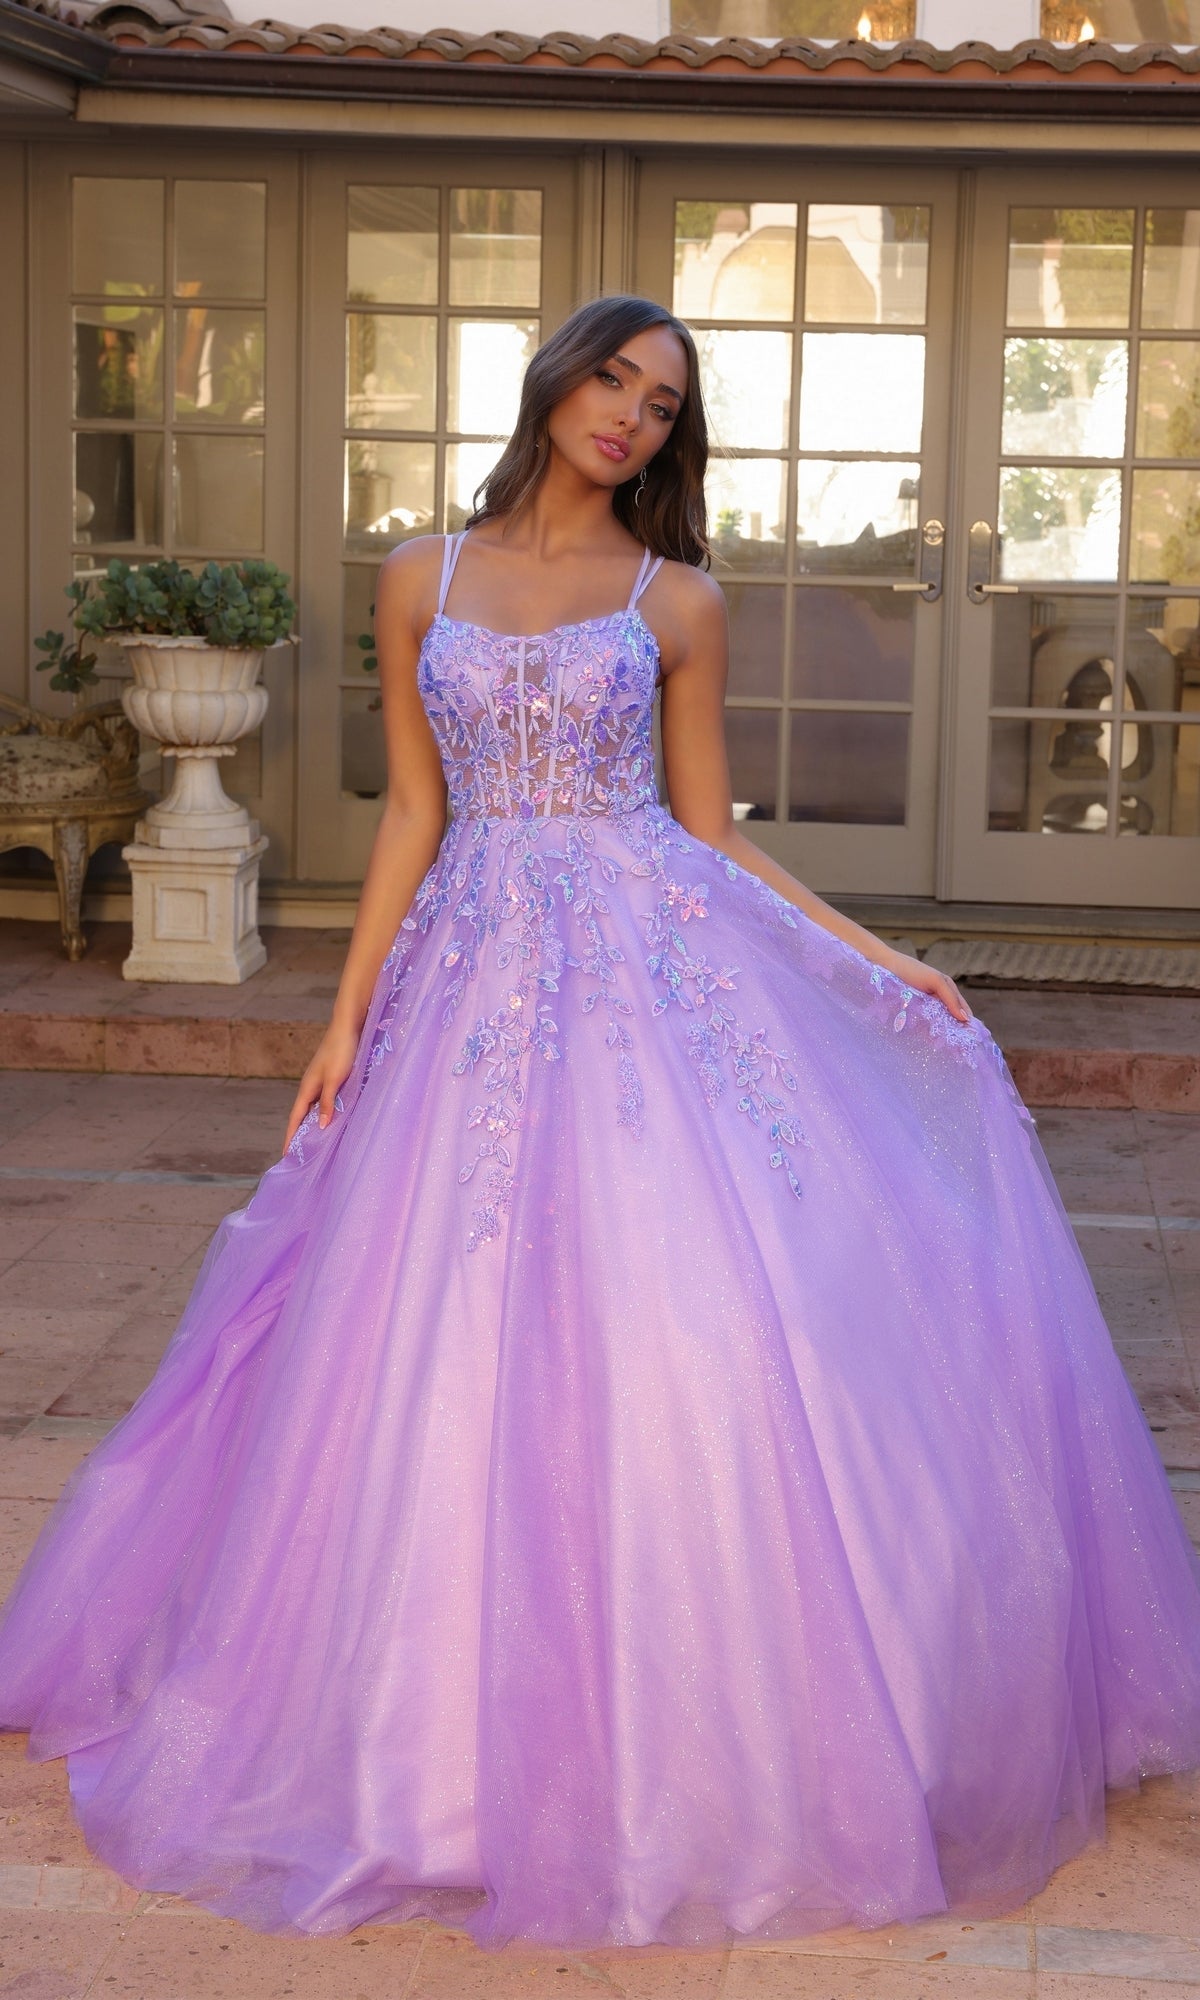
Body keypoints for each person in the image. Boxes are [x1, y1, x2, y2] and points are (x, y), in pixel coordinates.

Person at [1, 293, 1198, 1952]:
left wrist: (884, 957)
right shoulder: (418, 573)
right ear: (558, 379)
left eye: (662, 401)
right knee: (424, 1320)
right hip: (471, 984)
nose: (632, 414)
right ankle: (410, 1741)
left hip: (652, 970)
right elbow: (417, 807)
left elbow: (709, 842)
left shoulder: (679, 599)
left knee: (689, 1308)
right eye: (615, 378)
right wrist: (345, 1016)